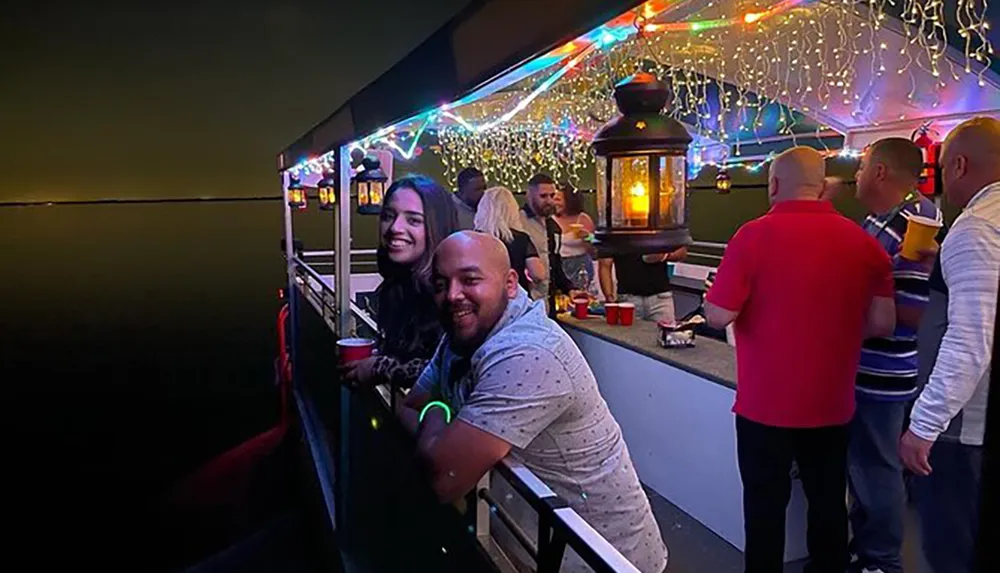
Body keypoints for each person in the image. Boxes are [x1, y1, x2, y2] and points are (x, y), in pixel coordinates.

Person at [398, 231, 669, 573]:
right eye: (440, 284)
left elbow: (442, 477)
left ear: (511, 284)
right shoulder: (462, 334)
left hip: (602, 558)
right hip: (532, 542)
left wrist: (437, 410)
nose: (452, 295)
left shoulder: (530, 352)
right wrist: (437, 419)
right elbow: (407, 407)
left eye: (470, 279)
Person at [704, 146, 896, 573]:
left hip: (763, 408)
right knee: (828, 504)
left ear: (773, 184)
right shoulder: (864, 243)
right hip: (832, 406)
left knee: (764, 509)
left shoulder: (751, 235)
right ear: (822, 184)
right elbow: (884, 322)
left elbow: (719, 315)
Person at [900, 117, 1000, 573]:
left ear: (959, 165)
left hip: (964, 431)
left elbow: (970, 340)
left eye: (941, 168)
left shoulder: (974, 228)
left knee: (951, 547)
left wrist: (923, 425)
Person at [848, 138, 941, 573]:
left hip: (883, 371)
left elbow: (907, 311)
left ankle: (882, 562)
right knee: (863, 469)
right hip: (866, 369)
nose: (856, 176)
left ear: (881, 172)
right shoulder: (878, 220)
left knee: (876, 468)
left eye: (863, 167)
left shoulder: (913, 220)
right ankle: (865, 549)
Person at [341, 174, 458, 389]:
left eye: (413, 220)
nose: (395, 228)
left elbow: (455, 370)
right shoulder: (398, 285)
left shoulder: (452, 291)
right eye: (388, 216)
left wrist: (380, 367)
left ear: (437, 227)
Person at [519, 173, 581, 313]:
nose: (549, 201)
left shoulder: (553, 226)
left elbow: (556, 264)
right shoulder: (518, 222)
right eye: (543, 196)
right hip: (525, 303)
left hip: (549, 303)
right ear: (529, 195)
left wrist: (569, 289)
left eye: (552, 196)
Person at [474, 186, 547, 293]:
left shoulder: (475, 239)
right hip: (515, 296)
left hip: (486, 296)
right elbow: (538, 274)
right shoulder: (520, 239)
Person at [598, 246, 687, 324]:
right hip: (628, 301)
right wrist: (609, 298)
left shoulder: (659, 229)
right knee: (628, 339)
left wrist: (664, 256)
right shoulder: (616, 233)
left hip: (661, 299)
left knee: (665, 338)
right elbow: (605, 265)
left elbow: (681, 251)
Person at [553, 184, 596, 291]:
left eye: (558, 199)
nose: (555, 203)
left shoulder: (583, 219)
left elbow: (595, 249)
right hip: (559, 264)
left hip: (580, 265)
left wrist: (587, 237)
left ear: (569, 201)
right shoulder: (550, 220)